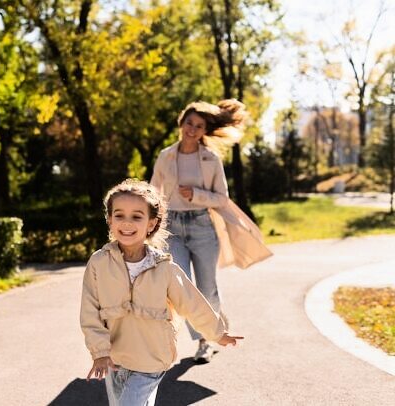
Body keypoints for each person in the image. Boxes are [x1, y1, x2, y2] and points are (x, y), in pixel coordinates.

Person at [80, 179, 243, 406]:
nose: (127, 223)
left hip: (152, 358)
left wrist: (216, 333)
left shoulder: (164, 267)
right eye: (119, 215)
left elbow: (191, 302)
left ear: (151, 223)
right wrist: (99, 352)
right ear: (109, 219)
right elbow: (89, 310)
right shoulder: (98, 263)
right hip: (114, 358)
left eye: (137, 216)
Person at [150, 99, 271, 364]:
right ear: (181, 123)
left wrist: (196, 194)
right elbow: (153, 191)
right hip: (173, 229)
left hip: (202, 227)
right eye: (189, 123)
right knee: (184, 287)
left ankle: (208, 340)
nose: (192, 129)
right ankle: (207, 333)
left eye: (199, 126)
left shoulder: (210, 159)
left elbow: (221, 198)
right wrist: (148, 221)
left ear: (205, 130)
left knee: (207, 287)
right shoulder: (165, 156)